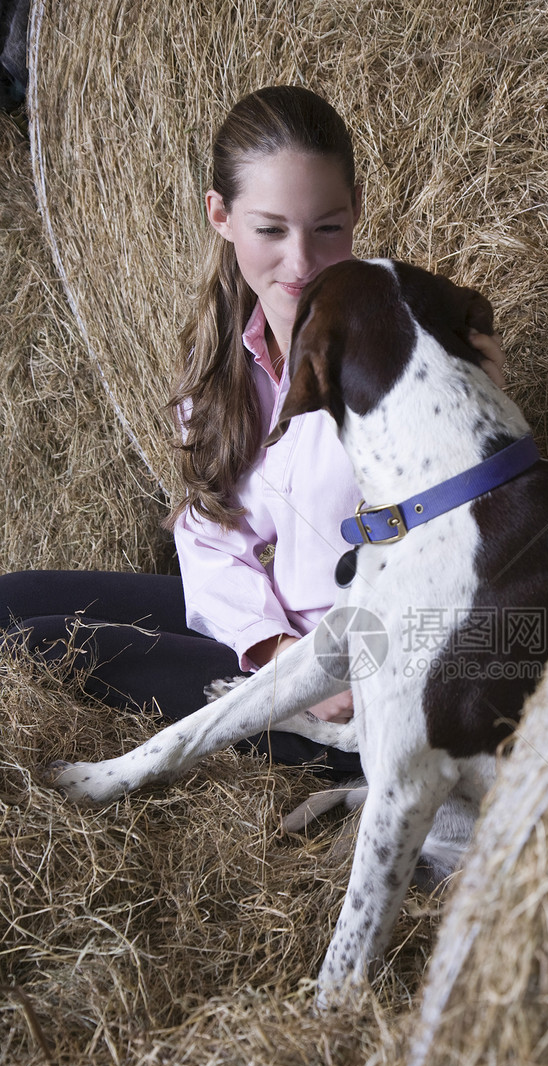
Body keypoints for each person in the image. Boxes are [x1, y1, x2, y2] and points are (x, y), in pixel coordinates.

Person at [0, 85, 503, 777]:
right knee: (12, 600)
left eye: (327, 227)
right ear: (221, 215)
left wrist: (322, 668)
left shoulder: (413, 353)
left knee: (45, 643)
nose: (300, 263)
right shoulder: (227, 354)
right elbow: (210, 532)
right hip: (279, 641)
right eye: (271, 230)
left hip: (362, 684)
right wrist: (268, 645)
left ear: (356, 209)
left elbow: (463, 555)